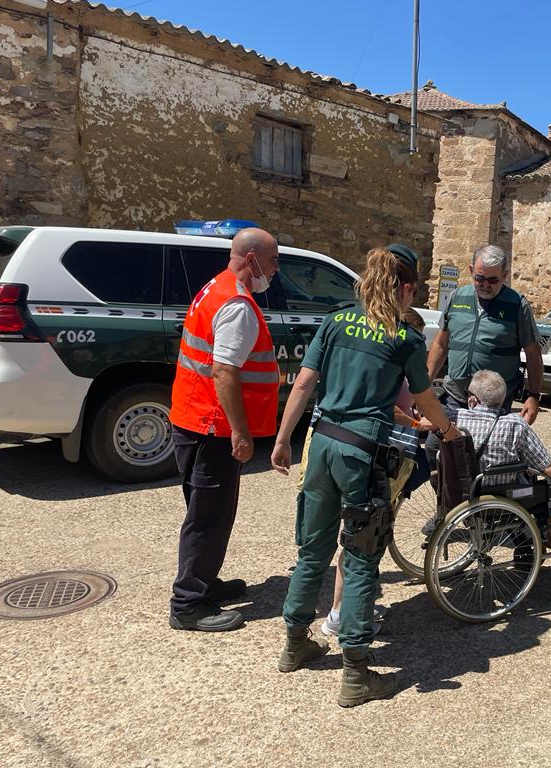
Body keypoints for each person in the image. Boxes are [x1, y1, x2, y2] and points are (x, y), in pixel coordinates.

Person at [270, 244, 457, 708]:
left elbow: (304, 382)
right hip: (362, 454)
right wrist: (448, 430)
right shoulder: (404, 338)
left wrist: (282, 438)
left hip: (322, 445)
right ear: (406, 287)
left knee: (311, 550)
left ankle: (295, 644)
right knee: (359, 556)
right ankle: (355, 673)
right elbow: (424, 399)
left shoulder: (335, 322)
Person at [167, 227, 280, 632]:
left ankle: (205, 581)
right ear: (251, 259)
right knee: (208, 517)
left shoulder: (215, 287)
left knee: (206, 512)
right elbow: (224, 371)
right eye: (272, 261)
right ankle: (188, 604)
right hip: (211, 427)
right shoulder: (238, 305)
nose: (275, 269)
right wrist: (241, 432)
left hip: (192, 418)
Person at [315, 308, 434, 639]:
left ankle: (347, 610)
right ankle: (342, 615)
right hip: (385, 456)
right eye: (418, 338)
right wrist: (418, 422)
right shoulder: (394, 359)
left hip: (377, 453)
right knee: (364, 537)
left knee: (361, 534)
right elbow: (388, 407)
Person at [455, 369, 551, 564]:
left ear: (472, 400)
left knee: (526, 482)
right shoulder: (514, 424)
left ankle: (531, 544)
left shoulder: (457, 420)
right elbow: (549, 469)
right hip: (506, 496)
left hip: (466, 493)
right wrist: (522, 432)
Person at [427, 244, 544, 424]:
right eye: (479, 278)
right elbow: (441, 344)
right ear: (471, 270)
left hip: (494, 402)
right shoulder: (457, 297)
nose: (485, 285)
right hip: (454, 395)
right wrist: (425, 383)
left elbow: (533, 353)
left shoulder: (517, 305)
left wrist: (534, 396)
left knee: (485, 443)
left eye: (493, 280)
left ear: (504, 275)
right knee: (437, 439)